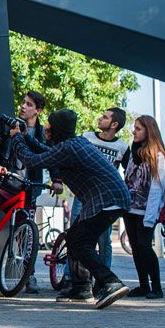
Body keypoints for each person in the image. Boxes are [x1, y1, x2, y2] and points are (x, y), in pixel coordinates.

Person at [11, 109, 132, 309]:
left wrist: (16, 140)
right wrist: (25, 138)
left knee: (80, 242)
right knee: (75, 238)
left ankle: (110, 282)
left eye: (50, 124)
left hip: (107, 200)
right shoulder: (75, 143)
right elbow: (45, 151)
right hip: (108, 198)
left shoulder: (69, 148)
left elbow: (32, 160)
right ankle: (81, 289)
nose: (46, 127)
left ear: (57, 128)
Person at [0, 91, 49, 294]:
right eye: (22, 103)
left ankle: (29, 276)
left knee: (27, 234)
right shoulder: (7, 125)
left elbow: (51, 154)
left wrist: (58, 181)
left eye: (28, 104)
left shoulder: (42, 133)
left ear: (38, 110)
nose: (23, 106)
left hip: (26, 189)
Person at [62, 108, 128, 290]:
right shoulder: (87, 137)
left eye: (105, 117)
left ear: (114, 124)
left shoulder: (122, 147)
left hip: (104, 198)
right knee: (74, 233)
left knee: (103, 239)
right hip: (83, 195)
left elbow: (128, 173)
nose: (100, 118)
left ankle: (102, 281)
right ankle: (71, 276)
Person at [121, 115, 165, 298]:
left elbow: (157, 188)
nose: (134, 131)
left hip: (146, 211)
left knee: (144, 246)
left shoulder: (158, 157)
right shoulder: (135, 153)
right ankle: (143, 286)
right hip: (130, 208)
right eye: (134, 128)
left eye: (138, 128)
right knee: (136, 247)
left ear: (149, 131)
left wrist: (150, 216)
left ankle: (157, 287)